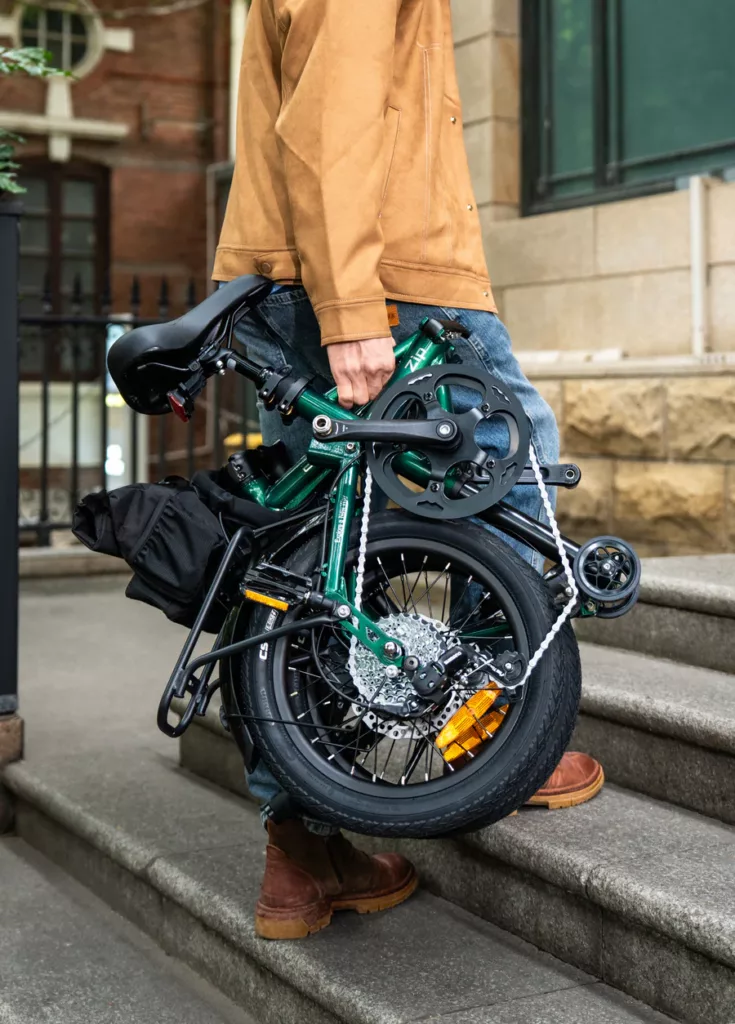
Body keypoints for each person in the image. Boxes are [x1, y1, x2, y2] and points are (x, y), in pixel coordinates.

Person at [213, 0, 603, 941]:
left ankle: (300, 853)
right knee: (515, 465)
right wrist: (351, 308)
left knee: (304, 551)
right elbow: (332, 115)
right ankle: (501, 737)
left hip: (293, 274)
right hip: (385, 278)